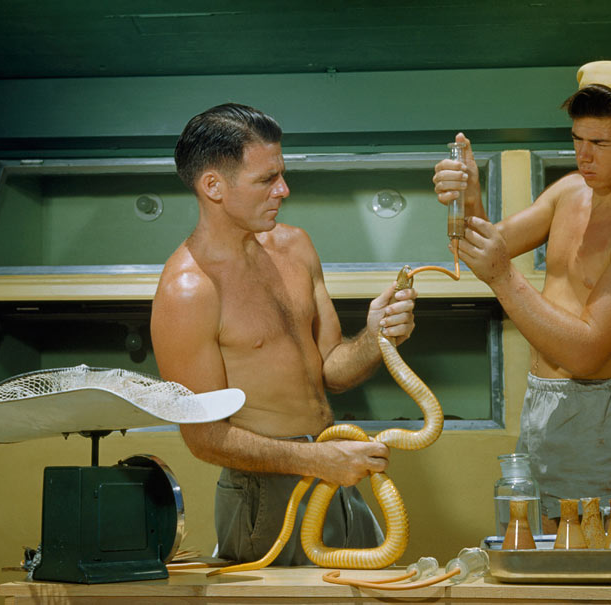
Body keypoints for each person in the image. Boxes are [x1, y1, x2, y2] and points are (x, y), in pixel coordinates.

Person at [151, 103, 418, 565]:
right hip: (264, 493)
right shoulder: (187, 291)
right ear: (212, 186)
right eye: (266, 180)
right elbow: (204, 439)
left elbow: (332, 368)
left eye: (282, 174)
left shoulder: (295, 246)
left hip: (335, 470)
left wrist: (376, 336)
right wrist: (316, 462)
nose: (284, 190)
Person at [432, 61, 611, 533]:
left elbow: (586, 354)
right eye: (577, 140)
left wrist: (503, 277)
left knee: (597, 571)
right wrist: (466, 196)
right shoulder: (571, 190)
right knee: (538, 563)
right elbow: (482, 248)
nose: (583, 157)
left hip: (599, 414)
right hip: (540, 404)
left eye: (601, 144)